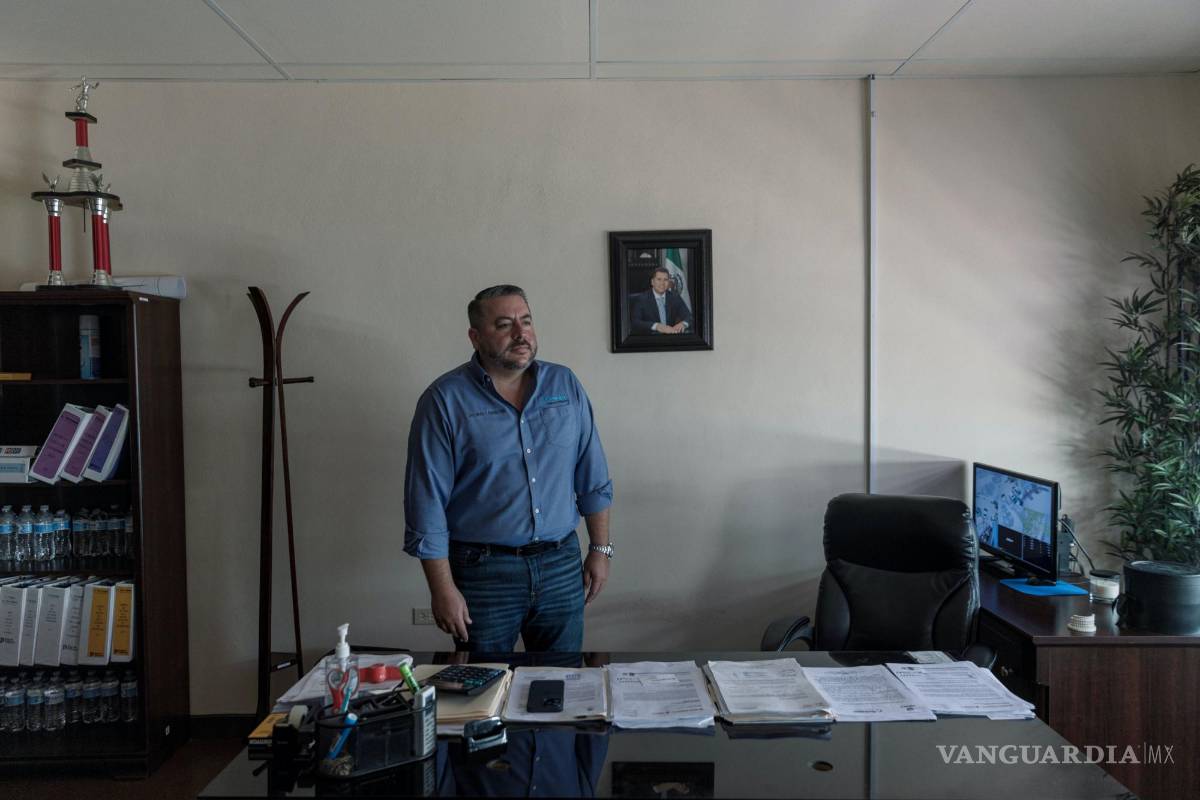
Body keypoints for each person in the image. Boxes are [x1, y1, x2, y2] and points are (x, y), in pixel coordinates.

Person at [404, 285, 614, 653]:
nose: (521, 333)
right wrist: (441, 588)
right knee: (483, 690)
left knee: (561, 689)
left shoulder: (564, 385)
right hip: (483, 572)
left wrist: (600, 548)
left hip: (561, 564)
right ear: (475, 336)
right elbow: (426, 503)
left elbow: (592, 475)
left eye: (526, 321)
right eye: (504, 324)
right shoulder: (444, 400)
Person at [630, 267, 693, 334]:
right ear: (652, 282)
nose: (662, 283)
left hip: (670, 338)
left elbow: (689, 317)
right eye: (659, 279)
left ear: (669, 282)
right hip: (648, 339)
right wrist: (657, 326)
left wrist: (683, 324)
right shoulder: (642, 299)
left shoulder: (675, 297)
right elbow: (635, 322)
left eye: (665, 280)